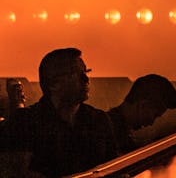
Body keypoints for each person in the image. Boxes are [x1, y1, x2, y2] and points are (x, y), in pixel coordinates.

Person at [0, 48, 118, 178]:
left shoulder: (99, 120)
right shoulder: (24, 123)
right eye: (76, 73)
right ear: (53, 84)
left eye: (85, 71)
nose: (86, 79)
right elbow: (16, 173)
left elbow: (114, 169)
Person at [107, 74, 176, 154]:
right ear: (143, 104)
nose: (151, 123)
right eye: (154, 115)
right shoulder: (109, 134)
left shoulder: (114, 131)